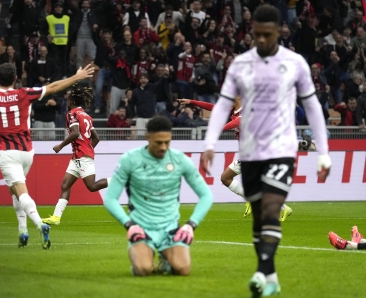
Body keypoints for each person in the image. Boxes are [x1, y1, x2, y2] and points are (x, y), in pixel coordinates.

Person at [200, 5, 331, 297]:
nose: (261, 40)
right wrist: (209, 143)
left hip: (281, 147)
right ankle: (270, 274)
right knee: (261, 215)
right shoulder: (241, 65)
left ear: (278, 32)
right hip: (250, 151)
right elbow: (222, 104)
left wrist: (323, 150)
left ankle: (262, 271)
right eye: (256, 34)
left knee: (271, 208)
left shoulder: (295, 63)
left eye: (267, 34)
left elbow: (311, 106)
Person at [0, 63, 95, 248]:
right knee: (16, 190)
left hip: (7, 152)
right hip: (27, 152)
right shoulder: (24, 93)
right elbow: (53, 87)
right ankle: (23, 229)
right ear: (16, 78)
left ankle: (40, 224)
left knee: (20, 191)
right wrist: (76, 76)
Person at [103, 115, 213, 276]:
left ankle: (165, 260)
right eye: (158, 142)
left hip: (170, 229)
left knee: (183, 269)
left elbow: (206, 195)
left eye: (167, 142)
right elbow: (110, 198)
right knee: (142, 269)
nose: (163, 147)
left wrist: (191, 225)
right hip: (140, 228)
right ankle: (147, 254)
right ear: (148, 137)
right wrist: (129, 225)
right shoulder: (130, 159)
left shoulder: (180, 160)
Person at [178, 98, 293, 221]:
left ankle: (280, 207)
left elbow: (237, 122)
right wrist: (192, 102)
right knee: (226, 178)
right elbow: (214, 108)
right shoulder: (233, 110)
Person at [42, 84, 109, 225]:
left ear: (71, 101)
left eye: (67, 100)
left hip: (82, 156)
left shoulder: (72, 114)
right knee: (65, 184)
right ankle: (56, 217)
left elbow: (75, 132)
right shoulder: (87, 116)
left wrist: (60, 146)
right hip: (78, 157)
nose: (66, 103)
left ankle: (119, 179)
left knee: (92, 186)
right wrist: (88, 149)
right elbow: (96, 138)